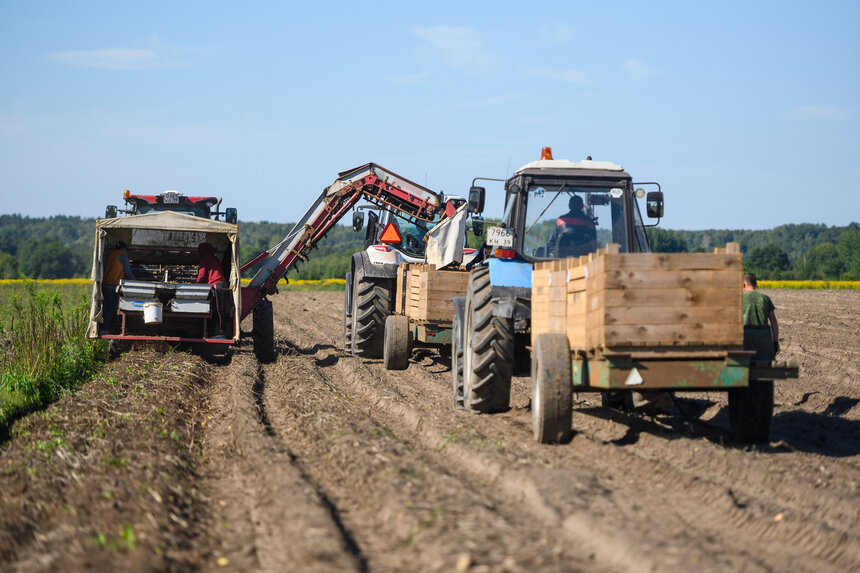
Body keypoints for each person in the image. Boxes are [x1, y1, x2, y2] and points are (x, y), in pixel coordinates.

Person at [742, 273, 779, 361]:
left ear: (743, 284)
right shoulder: (765, 299)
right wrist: (775, 342)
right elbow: (773, 322)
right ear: (756, 284)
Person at [197, 242, 229, 338]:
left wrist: (195, 283)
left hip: (216, 284)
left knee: (218, 309)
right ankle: (218, 330)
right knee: (219, 308)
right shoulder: (213, 257)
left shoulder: (204, 258)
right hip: (220, 283)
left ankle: (220, 331)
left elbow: (202, 275)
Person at [101, 240, 134, 334]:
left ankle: (102, 327)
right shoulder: (123, 255)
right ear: (124, 248)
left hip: (105, 283)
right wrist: (135, 281)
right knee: (112, 308)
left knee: (106, 307)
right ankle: (105, 329)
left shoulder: (109, 254)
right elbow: (128, 271)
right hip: (113, 285)